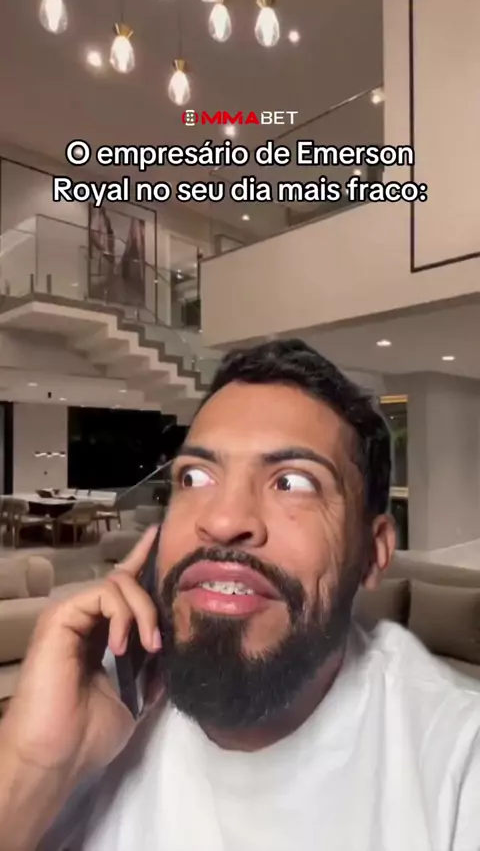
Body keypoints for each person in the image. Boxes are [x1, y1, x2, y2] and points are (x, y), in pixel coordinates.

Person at [1, 340, 479, 851]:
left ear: (373, 553)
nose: (224, 521)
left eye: (292, 482)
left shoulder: (455, 764)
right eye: (195, 477)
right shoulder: (86, 718)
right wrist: (34, 765)